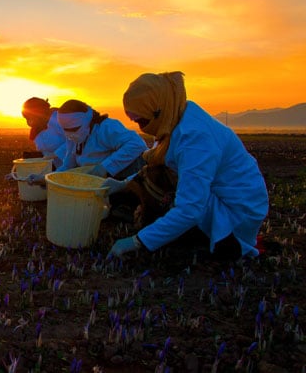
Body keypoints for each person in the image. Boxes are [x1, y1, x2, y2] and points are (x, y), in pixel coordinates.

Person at [106, 71, 269, 262]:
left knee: (174, 250)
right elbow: (159, 166)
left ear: (158, 109)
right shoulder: (175, 115)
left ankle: (225, 242)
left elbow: (191, 208)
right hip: (217, 195)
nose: (142, 128)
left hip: (237, 210)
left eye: (142, 121)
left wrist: (137, 242)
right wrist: (123, 184)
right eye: (135, 122)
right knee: (153, 175)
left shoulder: (195, 140)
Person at [29, 99, 147, 184]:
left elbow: (137, 144)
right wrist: (46, 178)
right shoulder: (73, 138)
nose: (69, 134)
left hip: (127, 177)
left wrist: (105, 167)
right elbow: (68, 166)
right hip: (98, 181)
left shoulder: (106, 127)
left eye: (74, 129)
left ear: (86, 121)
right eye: (66, 130)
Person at [21, 97, 66, 168]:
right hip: (55, 168)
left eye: (30, 118)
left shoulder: (58, 120)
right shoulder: (38, 129)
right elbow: (45, 152)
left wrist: (56, 154)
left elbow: (74, 142)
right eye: (26, 119)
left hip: (73, 167)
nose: (29, 123)